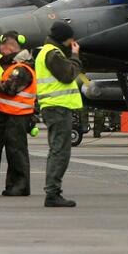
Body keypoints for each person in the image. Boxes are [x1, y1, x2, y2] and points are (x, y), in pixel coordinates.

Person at [0, 31, 36, 196]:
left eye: (2, 47)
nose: (0, 51)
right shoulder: (12, 67)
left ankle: (19, 186)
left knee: (16, 151)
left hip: (17, 116)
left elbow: (10, 89)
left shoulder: (22, 69)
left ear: (10, 47)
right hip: (2, 114)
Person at [36, 21, 83, 207]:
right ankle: (52, 193)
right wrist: (75, 56)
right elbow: (68, 74)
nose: (73, 41)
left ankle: (52, 191)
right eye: (71, 38)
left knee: (57, 150)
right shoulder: (52, 54)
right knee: (60, 151)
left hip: (54, 107)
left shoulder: (47, 52)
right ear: (64, 38)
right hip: (57, 108)